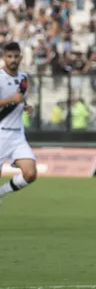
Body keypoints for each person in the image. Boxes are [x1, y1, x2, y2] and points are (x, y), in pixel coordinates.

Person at [0, 42, 37, 205]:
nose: (13, 59)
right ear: (3, 58)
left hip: (17, 135)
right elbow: (12, 99)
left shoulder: (23, 77)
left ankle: (2, 192)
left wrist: (26, 106)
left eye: (16, 56)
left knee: (30, 173)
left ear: (21, 57)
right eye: (9, 56)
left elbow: (19, 98)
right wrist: (11, 100)